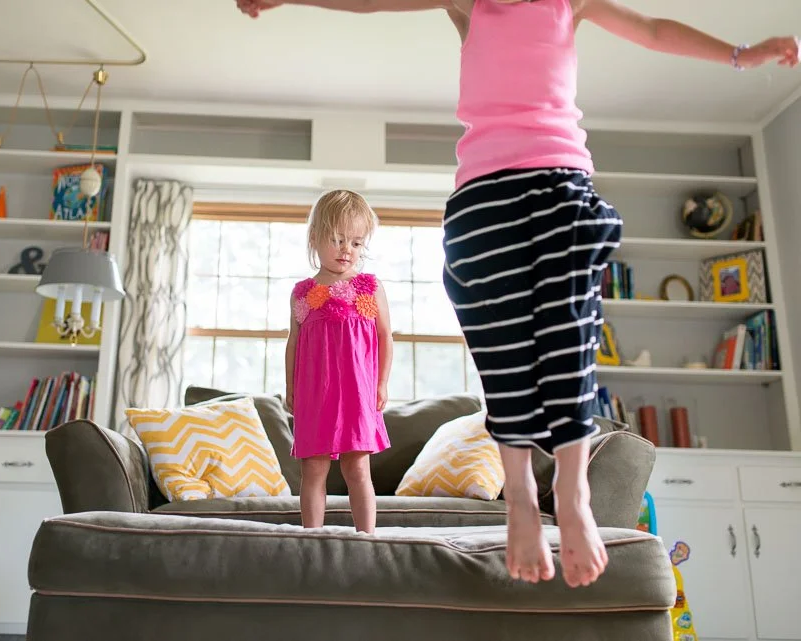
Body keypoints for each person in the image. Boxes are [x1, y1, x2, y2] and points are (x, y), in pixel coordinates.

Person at [239, 0, 799, 588]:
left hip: (560, 180)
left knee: (568, 331)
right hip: (483, 197)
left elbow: (655, 29)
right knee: (503, 351)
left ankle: (573, 487)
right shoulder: (470, 4)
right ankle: (521, 499)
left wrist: (740, 55)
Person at [286, 189, 393, 534]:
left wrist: (381, 384)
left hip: (357, 394)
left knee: (357, 469)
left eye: (357, 243)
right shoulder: (302, 292)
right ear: (315, 238)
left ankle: (368, 539)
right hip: (315, 392)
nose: (348, 250)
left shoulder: (369, 287)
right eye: (338, 239)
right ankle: (312, 539)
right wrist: (290, 386)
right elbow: (294, 342)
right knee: (313, 471)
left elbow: (385, 337)